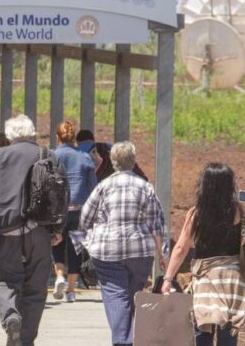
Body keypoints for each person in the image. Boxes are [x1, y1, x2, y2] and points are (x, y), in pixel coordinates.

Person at [0, 114, 65, 346]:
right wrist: (57, 228)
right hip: (40, 231)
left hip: (7, 230)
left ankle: (11, 316)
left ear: (10, 134)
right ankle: (25, 340)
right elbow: (62, 193)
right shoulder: (49, 155)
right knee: (36, 289)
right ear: (32, 132)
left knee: (5, 280)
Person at [161, 163, 245, 346]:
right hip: (233, 279)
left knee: (202, 328)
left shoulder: (196, 213)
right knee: (228, 332)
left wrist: (168, 278)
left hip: (206, 279)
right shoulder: (237, 210)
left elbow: (181, 248)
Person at [77, 141, 166, 346]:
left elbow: (85, 219)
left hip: (107, 251)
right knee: (133, 294)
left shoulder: (103, 187)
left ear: (112, 161)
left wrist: (88, 237)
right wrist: (161, 254)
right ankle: (130, 336)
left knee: (116, 295)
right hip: (140, 252)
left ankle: (122, 341)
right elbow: (156, 223)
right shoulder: (146, 187)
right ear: (133, 161)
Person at [51, 121, 97, 303]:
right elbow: (93, 187)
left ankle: (60, 276)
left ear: (57, 138)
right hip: (79, 212)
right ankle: (70, 291)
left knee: (56, 244)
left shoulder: (52, 156)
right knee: (76, 249)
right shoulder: (85, 157)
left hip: (57, 211)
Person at [75, 130, 148, 182]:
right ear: (93, 139)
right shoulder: (109, 148)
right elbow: (143, 178)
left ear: (78, 142)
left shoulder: (77, 153)